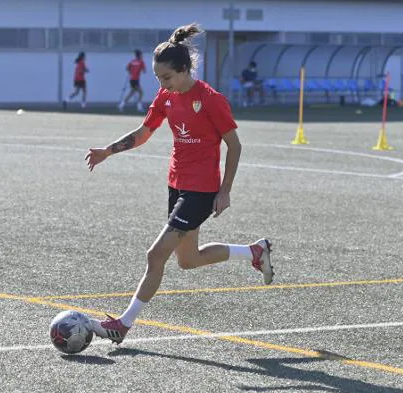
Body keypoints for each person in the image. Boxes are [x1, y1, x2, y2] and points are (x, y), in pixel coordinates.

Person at [84, 23, 274, 344]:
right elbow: (144, 133)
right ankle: (255, 251)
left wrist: (224, 191)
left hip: (201, 191)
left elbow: (235, 145)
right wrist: (108, 150)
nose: (163, 84)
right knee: (188, 260)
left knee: (155, 256)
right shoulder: (166, 96)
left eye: (167, 77)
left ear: (185, 70)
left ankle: (123, 325)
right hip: (177, 185)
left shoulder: (211, 100)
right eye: (158, 79)